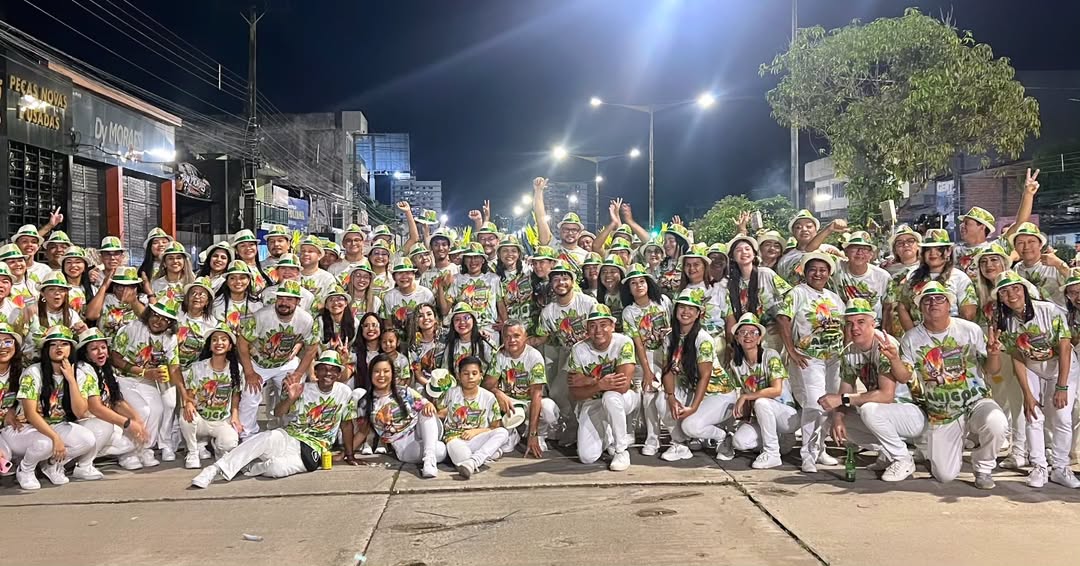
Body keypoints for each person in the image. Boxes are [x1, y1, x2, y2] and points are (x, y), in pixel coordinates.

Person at [191, 350, 360, 488]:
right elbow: (279, 413)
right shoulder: (302, 388)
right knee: (266, 437)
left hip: (314, 447)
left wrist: (349, 455)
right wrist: (290, 398)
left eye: (333, 370)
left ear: (338, 373)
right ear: (316, 371)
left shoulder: (345, 392)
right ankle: (214, 470)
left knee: (276, 469)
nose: (327, 373)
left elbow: (346, 426)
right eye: (323, 368)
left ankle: (248, 467)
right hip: (291, 436)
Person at [896, 281, 1007, 489]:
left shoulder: (970, 330)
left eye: (940, 299)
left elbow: (992, 370)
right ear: (920, 308)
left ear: (949, 305)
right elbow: (904, 377)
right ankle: (937, 444)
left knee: (997, 423)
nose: (933, 303)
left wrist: (993, 354)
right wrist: (894, 358)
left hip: (976, 400)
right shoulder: (911, 338)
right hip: (941, 411)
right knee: (945, 475)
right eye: (927, 300)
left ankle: (983, 467)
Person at [817, 299, 926, 482]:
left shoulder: (884, 344)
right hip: (888, 414)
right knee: (832, 416)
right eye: (850, 323)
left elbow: (886, 395)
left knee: (869, 409)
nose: (855, 328)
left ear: (872, 323)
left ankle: (903, 459)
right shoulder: (850, 352)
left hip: (913, 413)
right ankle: (888, 453)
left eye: (861, 322)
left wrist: (842, 400)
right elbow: (845, 389)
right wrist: (838, 417)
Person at [993, 271, 1080, 488]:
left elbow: (1065, 349)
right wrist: (1028, 394)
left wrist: (1061, 386)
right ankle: (1039, 466)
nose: (1011, 294)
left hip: (1062, 368)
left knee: (1062, 417)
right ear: (1000, 297)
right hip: (1032, 368)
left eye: (1015, 288)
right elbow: (1017, 357)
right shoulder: (1005, 322)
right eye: (1004, 291)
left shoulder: (1050, 310)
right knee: (1033, 415)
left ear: (1025, 290)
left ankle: (1060, 467)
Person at [777, 252, 845, 473]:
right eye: (813, 269)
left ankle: (820, 448)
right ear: (805, 272)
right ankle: (807, 453)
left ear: (829, 274)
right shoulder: (797, 293)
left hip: (834, 359)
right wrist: (791, 350)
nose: (818, 273)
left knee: (830, 404)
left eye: (823, 270)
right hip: (809, 358)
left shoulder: (834, 298)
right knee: (814, 405)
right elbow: (783, 319)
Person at [657, 289, 740, 462]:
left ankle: (723, 436)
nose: (686, 312)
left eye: (691, 308)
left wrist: (693, 407)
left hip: (719, 394)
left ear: (698, 314)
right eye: (682, 307)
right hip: (691, 389)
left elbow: (705, 376)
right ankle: (679, 444)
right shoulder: (670, 337)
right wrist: (671, 397)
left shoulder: (703, 339)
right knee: (661, 399)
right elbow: (667, 370)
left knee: (691, 426)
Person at [14, 325, 98, 490]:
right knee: (46, 443)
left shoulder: (80, 373)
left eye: (64, 344)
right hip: (27, 427)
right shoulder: (33, 373)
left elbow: (80, 412)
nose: (59, 348)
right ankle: (25, 469)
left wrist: (71, 380)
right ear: (46, 349)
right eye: (53, 344)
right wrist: (55, 438)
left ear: (71, 349)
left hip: (57, 424)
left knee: (88, 439)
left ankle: (52, 464)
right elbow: (30, 414)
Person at [236, 280, 319, 439]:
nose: (284, 303)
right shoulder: (261, 316)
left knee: (294, 390)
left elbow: (311, 349)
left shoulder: (306, 320)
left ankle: (291, 430)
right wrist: (249, 372)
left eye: (289, 299)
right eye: (281, 298)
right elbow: (242, 343)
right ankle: (247, 435)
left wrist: (298, 373)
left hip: (285, 363)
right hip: (257, 362)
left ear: (297, 302)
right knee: (250, 395)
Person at [110, 299, 190, 464]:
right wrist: (145, 372)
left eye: (164, 319)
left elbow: (174, 368)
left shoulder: (170, 338)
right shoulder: (131, 329)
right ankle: (127, 453)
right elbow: (115, 359)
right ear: (148, 314)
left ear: (170, 324)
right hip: (122, 378)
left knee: (158, 409)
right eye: (155, 315)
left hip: (147, 380)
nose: (158, 321)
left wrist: (185, 396)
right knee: (143, 410)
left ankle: (144, 448)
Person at [971, 244, 1026, 468]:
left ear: (1004, 262)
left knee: (1019, 402)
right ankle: (1003, 441)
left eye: (994, 260)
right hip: (995, 355)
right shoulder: (983, 295)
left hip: (1018, 353)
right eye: (984, 262)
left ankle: (1021, 451)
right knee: (1000, 399)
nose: (989, 266)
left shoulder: (1016, 288)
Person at [532, 260, 597, 445]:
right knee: (559, 391)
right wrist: (521, 342)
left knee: (585, 392)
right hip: (568, 354)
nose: (561, 282)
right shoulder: (548, 311)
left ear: (572, 281)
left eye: (565, 278)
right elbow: (542, 338)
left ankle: (588, 429)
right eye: (556, 279)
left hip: (591, 353)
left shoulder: (587, 302)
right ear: (551, 284)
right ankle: (572, 425)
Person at [568, 304, 638, 471]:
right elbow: (575, 392)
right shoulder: (578, 349)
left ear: (612, 326)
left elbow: (622, 386)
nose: (598, 330)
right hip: (593, 402)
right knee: (587, 457)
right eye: (592, 325)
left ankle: (621, 451)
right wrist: (599, 383)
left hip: (625, 398)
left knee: (611, 397)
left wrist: (589, 381)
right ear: (587, 329)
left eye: (603, 324)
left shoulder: (624, 343)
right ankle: (608, 436)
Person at [728, 313, 799, 469]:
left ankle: (772, 452)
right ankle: (778, 441)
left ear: (760, 339)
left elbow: (776, 390)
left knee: (761, 402)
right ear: (737, 338)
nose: (748, 336)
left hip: (786, 415)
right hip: (762, 416)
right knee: (739, 442)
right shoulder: (736, 364)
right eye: (743, 332)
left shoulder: (770, 356)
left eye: (753, 333)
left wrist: (746, 396)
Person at [75, 327, 149, 472]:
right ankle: (83, 462)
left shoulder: (104, 369)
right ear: (86, 353)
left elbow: (116, 401)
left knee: (134, 431)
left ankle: (120, 454)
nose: (101, 351)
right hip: (86, 423)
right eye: (94, 349)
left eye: (103, 347)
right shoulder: (84, 370)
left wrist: (137, 420)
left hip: (100, 420)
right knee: (123, 438)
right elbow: (95, 407)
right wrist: (128, 424)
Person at [620, 264, 672, 456]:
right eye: (633, 283)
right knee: (646, 393)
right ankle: (646, 436)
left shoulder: (664, 302)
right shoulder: (629, 312)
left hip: (667, 353)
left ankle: (667, 438)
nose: (639, 285)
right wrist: (648, 371)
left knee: (661, 395)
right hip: (645, 357)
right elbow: (638, 343)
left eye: (642, 281)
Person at [484, 319, 556, 458]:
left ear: (525, 337)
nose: (512, 340)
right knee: (507, 448)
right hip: (511, 403)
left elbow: (537, 395)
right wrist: (497, 392)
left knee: (548, 408)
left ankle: (539, 432)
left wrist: (533, 435)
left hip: (530, 402)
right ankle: (514, 432)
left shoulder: (534, 357)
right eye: (507, 336)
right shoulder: (500, 355)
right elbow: (487, 385)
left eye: (516, 336)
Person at [367, 353, 445, 478]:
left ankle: (429, 461)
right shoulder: (366, 401)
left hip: (420, 429)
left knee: (425, 411)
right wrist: (347, 454)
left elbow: (426, 405)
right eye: (377, 371)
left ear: (392, 373)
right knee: (441, 450)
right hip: (403, 444)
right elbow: (361, 432)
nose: (381, 375)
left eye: (386, 371)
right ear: (370, 374)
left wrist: (429, 404)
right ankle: (431, 450)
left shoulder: (404, 391)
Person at [954, 168, 1038, 278]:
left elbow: (1020, 223)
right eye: (962, 223)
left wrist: (1028, 194)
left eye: (967, 223)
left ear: (982, 227)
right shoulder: (953, 251)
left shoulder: (996, 247)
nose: (962, 226)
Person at [180, 324, 243, 469]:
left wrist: (235, 415)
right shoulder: (197, 367)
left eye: (223, 340)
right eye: (214, 340)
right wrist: (188, 404)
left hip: (221, 420)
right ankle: (193, 451)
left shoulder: (236, 369)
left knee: (230, 443)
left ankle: (216, 446)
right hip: (201, 419)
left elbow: (235, 395)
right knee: (185, 416)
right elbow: (190, 394)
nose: (219, 343)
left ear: (229, 346)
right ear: (209, 346)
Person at [892, 229, 977, 330]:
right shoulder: (913, 277)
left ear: (948, 251)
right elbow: (902, 307)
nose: (933, 253)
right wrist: (913, 335)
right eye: (928, 249)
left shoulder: (960, 278)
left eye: (938, 249)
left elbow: (968, 314)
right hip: (919, 337)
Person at [438, 355, 507, 479]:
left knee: (502, 433)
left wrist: (476, 431)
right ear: (458, 376)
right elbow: (440, 414)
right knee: (462, 457)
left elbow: (495, 426)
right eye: (466, 373)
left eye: (474, 373)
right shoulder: (451, 393)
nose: (470, 377)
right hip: (455, 438)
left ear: (481, 375)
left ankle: (474, 461)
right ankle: (485, 455)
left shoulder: (489, 397)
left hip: (477, 438)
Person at [724, 234, 791, 352]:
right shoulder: (731, 283)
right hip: (747, 337)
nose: (743, 252)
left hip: (770, 336)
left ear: (754, 254)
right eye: (738, 250)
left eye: (747, 249)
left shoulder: (766, 274)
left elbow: (791, 296)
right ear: (732, 257)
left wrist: (783, 324)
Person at [21, 271, 87, 361]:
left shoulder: (71, 315)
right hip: (31, 364)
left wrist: (83, 332)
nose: (57, 293)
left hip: (62, 365)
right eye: (52, 289)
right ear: (43, 293)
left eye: (61, 290)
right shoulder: (32, 312)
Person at [442, 242, 500, 340]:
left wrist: (505, 325)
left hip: (489, 331)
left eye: (477, 257)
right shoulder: (456, 280)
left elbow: (500, 304)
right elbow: (445, 310)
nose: (473, 261)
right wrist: (440, 286)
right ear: (464, 261)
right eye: (469, 257)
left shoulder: (494, 279)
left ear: (483, 260)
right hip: (464, 331)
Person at [831, 231, 891, 319]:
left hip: (873, 327)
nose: (859, 252)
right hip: (844, 324)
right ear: (846, 252)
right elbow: (810, 252)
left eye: (865, 249)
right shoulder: (836, 267)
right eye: (855, 247)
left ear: (871, 255)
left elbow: (888, 308)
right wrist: (829, 229)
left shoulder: (883, 276)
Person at [1010, 222, 1071, 308]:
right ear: (1015, 247)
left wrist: (1059, 264)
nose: (1026, 247)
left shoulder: (1053, 264)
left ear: (1040, 245)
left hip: (1058, 318)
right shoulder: (1016, 269)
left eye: (1031, 241)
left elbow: (1075, 285)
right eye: (1020, 243)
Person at [533, 177, 589, 270]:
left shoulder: (586, 256)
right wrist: (538, 191)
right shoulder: (552, 246)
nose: (570, 233)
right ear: (560, 231)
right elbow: (540, 219)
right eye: (566, 229)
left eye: (574, 230)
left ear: (579, 233)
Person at [776, 210, 841, 285]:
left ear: (816, 230)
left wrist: (840, 255)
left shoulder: (829, 250)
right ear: (793, 232)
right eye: (798, 227)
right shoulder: (786, 259)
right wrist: (828, 229)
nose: (804, 229)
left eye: (809, 226)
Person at [85, 266, 145, 338]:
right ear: (114, 287)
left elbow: (146, 320)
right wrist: (104, 287)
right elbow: (90, 316)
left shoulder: (143, 299)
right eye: (120, 287)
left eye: (129, 287)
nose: (124, 291)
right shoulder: (105, 298)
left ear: (135, 288)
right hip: (106, 345)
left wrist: (134, 301)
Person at [314, 285, 357, 385]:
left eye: (340, 299)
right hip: (323, 364)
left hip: (346, 364)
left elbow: (355, 349)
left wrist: (345, 359)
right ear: (326, 305)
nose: (336, 303)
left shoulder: (355, 323)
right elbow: (313, 350)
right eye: (331, 299)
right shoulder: (319, 322)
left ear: (346, 303)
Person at [380, 258, 435, 334]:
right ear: (394, 277)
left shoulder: (426, 294)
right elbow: (388, 325)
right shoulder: (389, 296)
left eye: (408, 272)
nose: (404, 276)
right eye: (400, 273)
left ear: (414, 275)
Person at [176, 277, 220, 369]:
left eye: (201, 294)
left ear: (207, 301)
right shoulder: (176, 313)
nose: (196, 296)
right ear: (187, 298)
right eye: (193, 293)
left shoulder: (212, 323)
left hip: (196, 370)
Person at [442, 302, 495, 373]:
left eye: (466, 318)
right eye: (457, 319)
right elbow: (445, 371)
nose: (462, 322)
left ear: (473, 320)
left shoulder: (486, 343)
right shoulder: (451, 345)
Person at [213, 260, 264, 333]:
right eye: (232, 278)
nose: (238, 281)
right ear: (227, 281)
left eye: (242, 278)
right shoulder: (216, 304)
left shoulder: (257, 305)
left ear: (249, 280)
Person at [495, 235, 533, 330]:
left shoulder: (530, 270)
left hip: (532, 326)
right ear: (499, 254)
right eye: (505, 250)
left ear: (519, 254)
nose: (509, 254)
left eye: (513, 250)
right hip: (510, 328)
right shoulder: (494, 277)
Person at [405, 303, 445, 389]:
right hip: (425, 383)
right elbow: (418, 374)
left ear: (435, 318)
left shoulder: (446, 336)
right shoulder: (413, 345)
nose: (426, 318)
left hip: (447, 381)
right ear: (416, 321)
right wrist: (432, 388)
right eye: (420, 316)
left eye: (429, 314)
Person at [297, 235, 337, 305]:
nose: (306, 254)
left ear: (319, 256)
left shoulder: (327, 278)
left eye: (310, 251)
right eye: (303, 251)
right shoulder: (292, 274)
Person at [231, 229, 273, 295]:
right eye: (243, 246)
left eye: (251, 244)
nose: (248, 248)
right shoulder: (232, 272)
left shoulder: (267, 269)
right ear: (236, 250)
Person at [136, 227, 173, 296]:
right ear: (149, 247)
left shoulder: (177, 266)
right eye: (155, 242)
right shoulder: (143, 270)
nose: (161, 245)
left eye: (164, 242)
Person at [0, 243, 38, 310]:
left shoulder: (32, 284)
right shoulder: (3, 287)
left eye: (20, 260)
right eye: (12, 262)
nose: (18, 264)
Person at [61, 247, 96, 318]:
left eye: (78, 262)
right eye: (68, 262)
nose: (73, 265)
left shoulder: (93, 290)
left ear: (84, 267)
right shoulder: (59, 289)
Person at [596, 255, 628, 331]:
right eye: (604, 272)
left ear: (621, 274)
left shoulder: (631, 294)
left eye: (613, 271)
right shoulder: (595, 298)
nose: (608, 275)